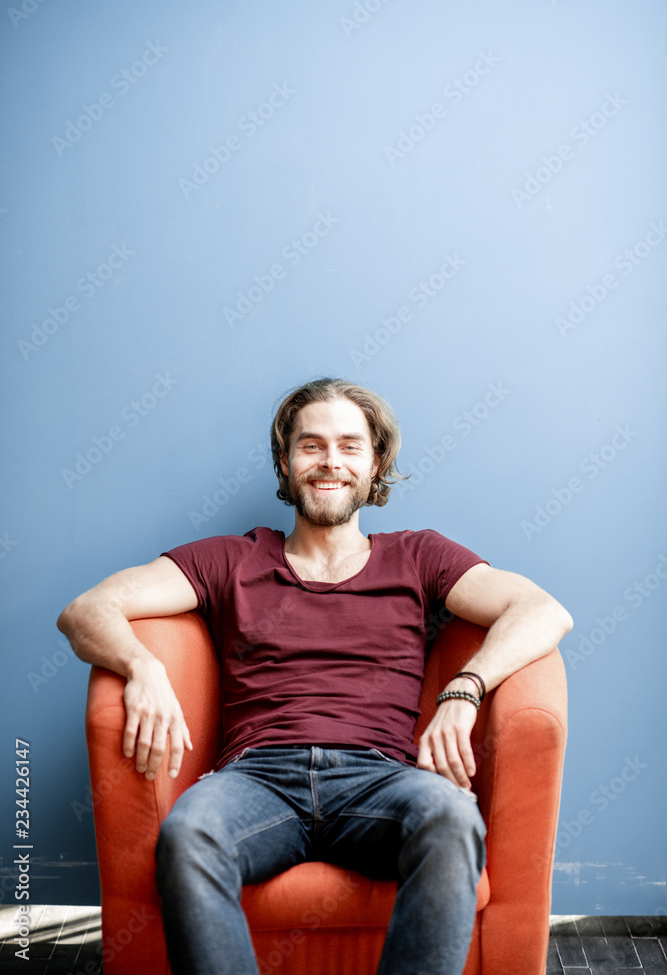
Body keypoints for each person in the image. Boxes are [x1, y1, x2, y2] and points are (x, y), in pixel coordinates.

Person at [57, 377, 573, 975]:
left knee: (452, 820)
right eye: (312, 445)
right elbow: (86, 610)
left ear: (376, 462)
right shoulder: (231, 558)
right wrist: (141, 664)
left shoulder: (419, 556)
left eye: (350, 446)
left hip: (380, 779)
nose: (331, 461)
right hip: (258, 778)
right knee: (190, 835)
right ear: (286, 459)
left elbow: (543, 610)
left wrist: (465, 688)